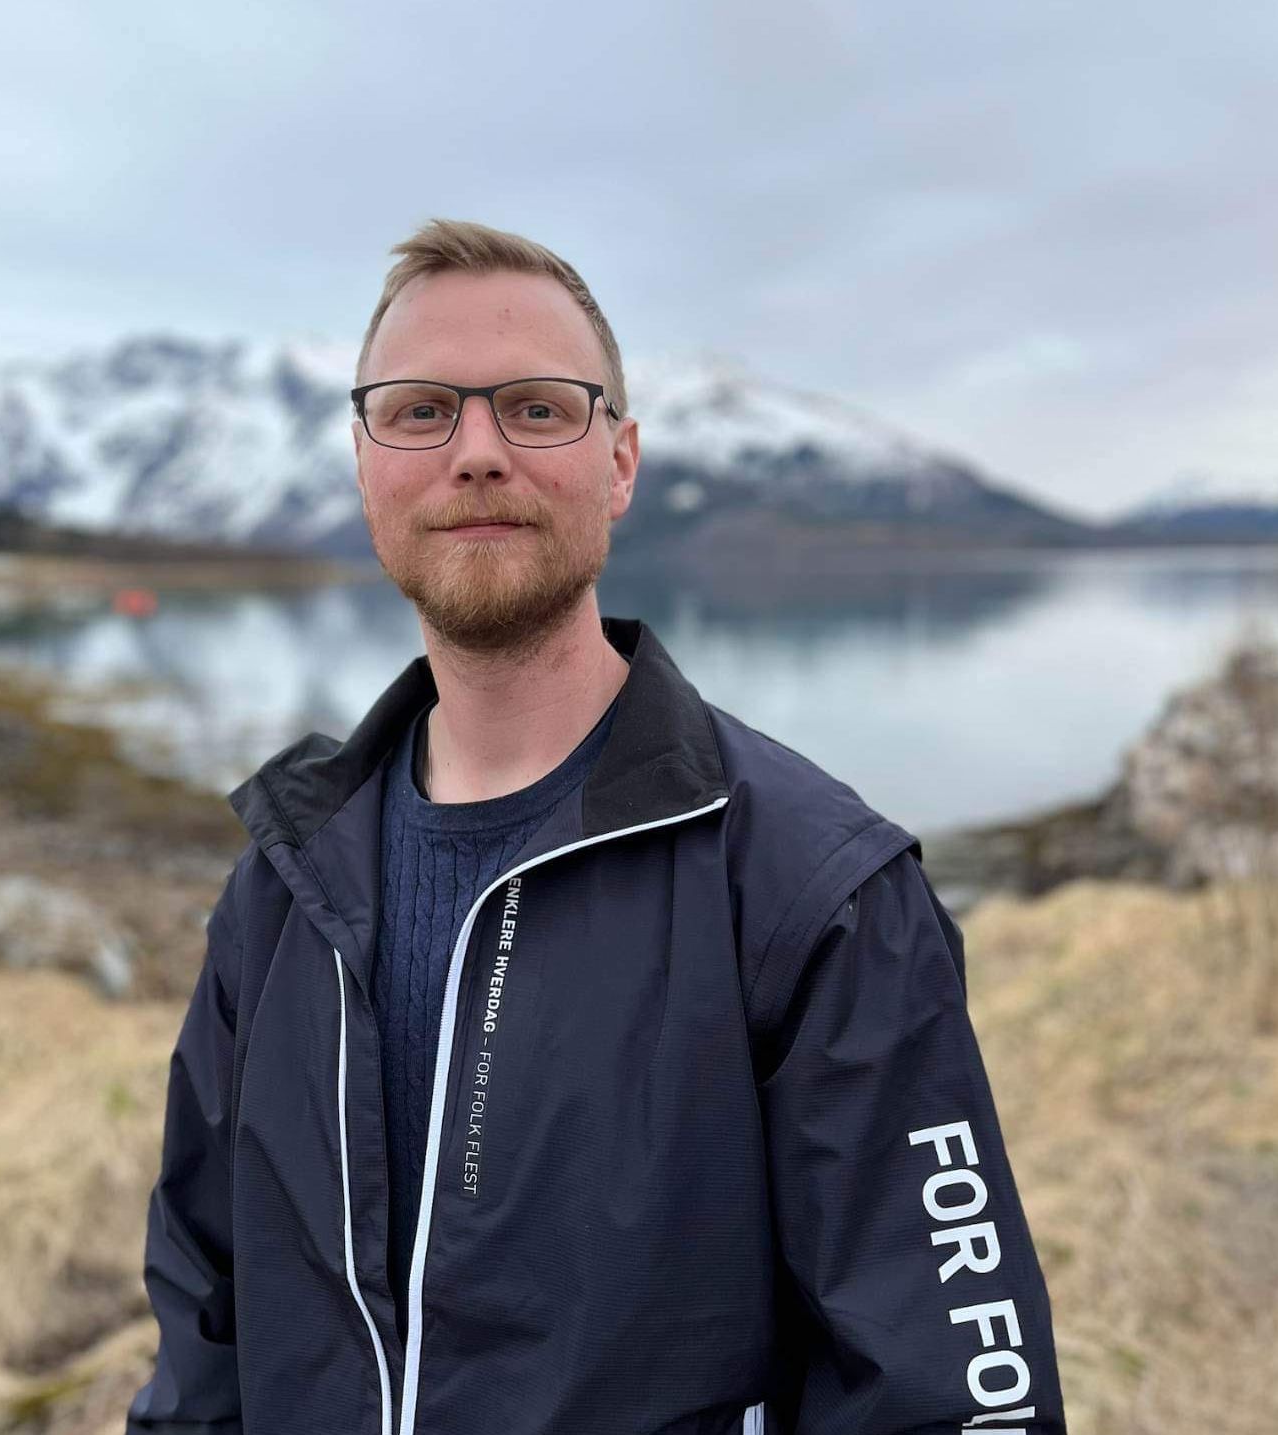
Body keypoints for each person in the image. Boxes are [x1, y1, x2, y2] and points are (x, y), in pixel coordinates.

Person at [127, 219, 1066, 1434]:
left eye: (535, 408)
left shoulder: (810, 890)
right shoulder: (283, 888)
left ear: (620, 464)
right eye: (420, 412)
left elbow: (954, 1399)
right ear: (365, 467)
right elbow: (205, 1329)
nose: (476, 454)